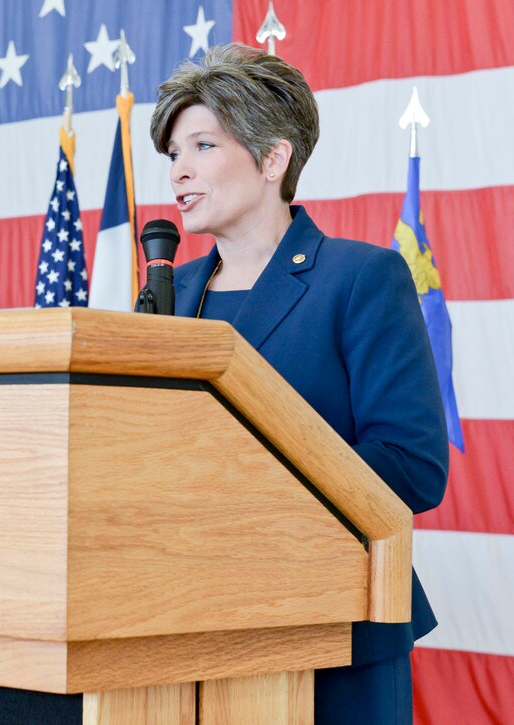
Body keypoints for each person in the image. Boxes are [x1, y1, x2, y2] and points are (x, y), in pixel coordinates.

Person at [148, 44, 448, 724]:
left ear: (273, 157)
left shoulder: (359, 278)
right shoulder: (168, 292)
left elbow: (413, 466)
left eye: (201, 144)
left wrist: (244, 494)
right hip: (183, 624)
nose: (180, 171)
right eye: (172, 154)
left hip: (334, 631)